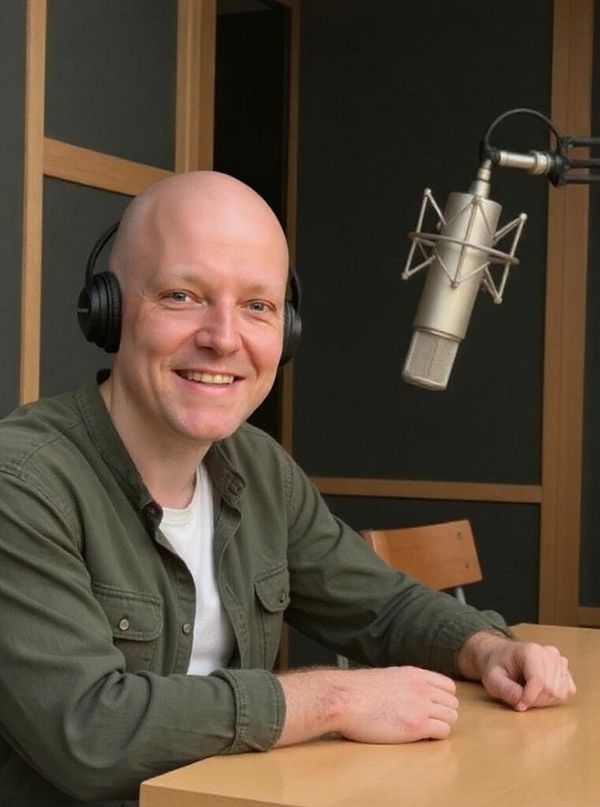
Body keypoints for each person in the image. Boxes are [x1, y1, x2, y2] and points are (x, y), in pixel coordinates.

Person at [0, 171, 575, 806]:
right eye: (183, 295)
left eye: (257, 306)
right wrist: (335, 698)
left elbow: (381, 607)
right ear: (107, 310)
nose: (224, 338)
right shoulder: (22, 482)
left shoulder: (258, 469)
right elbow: (88, 732)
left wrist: (483, 647)